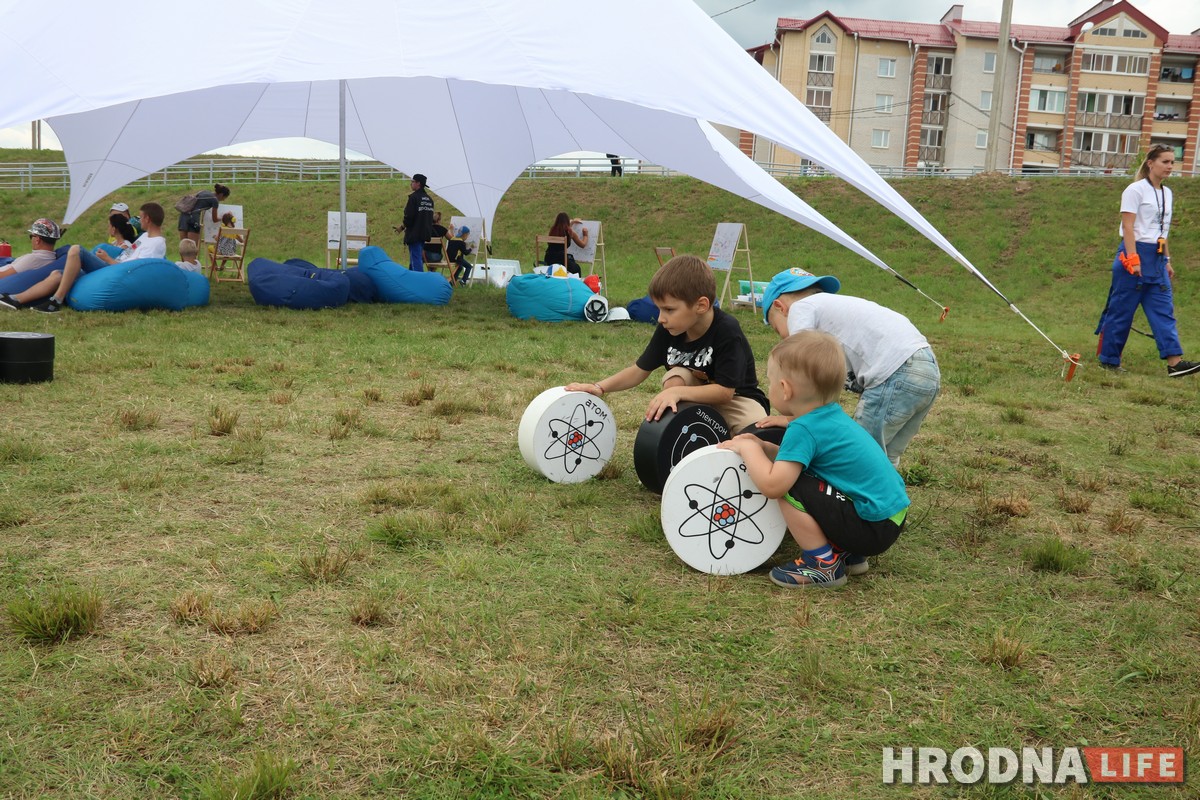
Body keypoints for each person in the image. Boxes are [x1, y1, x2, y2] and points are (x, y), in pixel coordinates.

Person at [718, 331, 910, 589]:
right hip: (887, 518)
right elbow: (799, 460)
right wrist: (763, 446)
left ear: (784, 389)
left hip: (871, 525)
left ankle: (822, 565)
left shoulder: (804, 428)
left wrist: (748, 449)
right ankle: (847, 554)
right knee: (802, 474)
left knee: (791, 486)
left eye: (771, 380)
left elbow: (774, 485)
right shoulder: (829, 417)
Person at [565, 254, 768, 433]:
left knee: (754, 435)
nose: (661, 318)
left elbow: (725, 392)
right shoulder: (669, 328)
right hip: (695, 401)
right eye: (659, 309)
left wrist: (677, 392)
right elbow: (638, 370)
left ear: (701, 305)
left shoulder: (726, 330)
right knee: (676, 376)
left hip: (737, 401)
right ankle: (682, 433)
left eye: (669, 310)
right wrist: (600, 387)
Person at [760, 267, 940, 467]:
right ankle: (885, 495)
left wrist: (792, 418)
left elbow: (801, 365)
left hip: (893, 372)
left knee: (859, 453)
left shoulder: (800, 308)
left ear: (780, 307)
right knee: (884, 456)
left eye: (777, 329)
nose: (784, 337)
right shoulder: (833, 307)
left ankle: (850, 497)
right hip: (926, 368)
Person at [1095, 144, 1200, 377]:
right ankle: (1109, 360)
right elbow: (1128, 227)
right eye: (1165, 161)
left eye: (1172, 162)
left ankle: (1175, 363)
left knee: (1164, 310)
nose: (1170, 166)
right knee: (1122, 310)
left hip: (1157, 258)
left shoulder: (1167, 193)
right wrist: (1133, 259)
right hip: (1134, 254)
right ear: (1151, 163)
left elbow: (1163, 230)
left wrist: (1167, 259)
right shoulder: (1135, 190)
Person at [4, 203, 167, 314]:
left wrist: (109, 260)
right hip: (113, 267)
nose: (136, 220)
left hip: (118, 272)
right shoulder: (145, 237)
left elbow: (139, 270)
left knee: (76, 250)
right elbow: (128, 255)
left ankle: (57, 300)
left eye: (140, 217)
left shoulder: (156, 243)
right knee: (57, 274)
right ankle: (16, 300)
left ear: (147, 219)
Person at [0, 219, 61, 287]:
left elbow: (3, 276)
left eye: (31, 236)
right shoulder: (50, 258)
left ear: (37, 240)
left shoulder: (34, 259)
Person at [397, 173, 434, 272]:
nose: (411, 184)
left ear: (418, 183)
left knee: (416, 259)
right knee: (415, 258)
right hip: (424, 233)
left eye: (412, 181)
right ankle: (411, 279)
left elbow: (409, 217)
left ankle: (419, 282)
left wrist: (402, 226)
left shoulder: (414, 198)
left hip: (414, 234)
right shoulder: (429, 200)